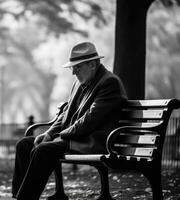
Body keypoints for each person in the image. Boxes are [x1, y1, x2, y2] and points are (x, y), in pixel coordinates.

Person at [12, 42, 127, 200]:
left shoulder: (109, 83)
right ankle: (18, 196)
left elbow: (88, 122)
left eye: (77, 67)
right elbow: (65, 115)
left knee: (43, 150)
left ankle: (25, 199)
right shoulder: (82, 82)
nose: (73, 72)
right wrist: (49, 134)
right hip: (76, 138)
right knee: (24, 145)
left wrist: (59, 136)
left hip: (93, 141)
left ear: (92, 64)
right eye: (72, 67)